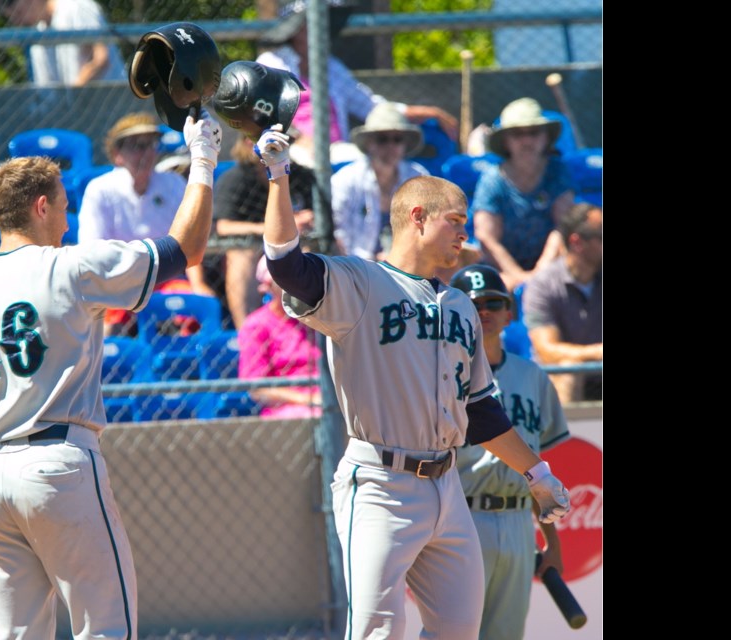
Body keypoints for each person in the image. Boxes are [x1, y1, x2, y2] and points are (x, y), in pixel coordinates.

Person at [0, 109, 223, 639]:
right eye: (63, 209)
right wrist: (205, 161)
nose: (68, 223)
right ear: (42, 205)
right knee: (106, 629)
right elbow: (185, 251)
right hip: (59, 467)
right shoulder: (70, 267)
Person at [253, 124, 571, 639]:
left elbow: (483, 414)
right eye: (455, 222)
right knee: (377, 630)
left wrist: (537, 474)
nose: (464, 235)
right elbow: (287, 266)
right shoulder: (360, 282)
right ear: (418, 218)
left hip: (448, 487)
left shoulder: (461, 306)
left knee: (459, 630)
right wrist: (279, 177)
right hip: (380, 482)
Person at [443, 263, 570, 640]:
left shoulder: (532, 376)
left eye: (494, 303)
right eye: (473, 303)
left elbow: (539, 470)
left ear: (509, 312)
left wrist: (552, 540)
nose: (484, 311)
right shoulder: (439, 372)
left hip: (518, 521)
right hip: (460, 515)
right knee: (453, 632)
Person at [256, 0, 459, 166]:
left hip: (336, 152)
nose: (321, 28)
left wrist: (428, 112)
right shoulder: (271, 64)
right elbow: (259, 112)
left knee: (366, 163)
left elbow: (371, 106)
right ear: (296, 28)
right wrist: (297, 138)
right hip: (287, 150)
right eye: (311, 22)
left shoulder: (331, 67)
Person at [79, 111, 216, 335]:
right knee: (106, 321)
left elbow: (191, 242)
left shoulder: (173, 184)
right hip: (119, 281)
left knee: (198, 305)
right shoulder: (99, 189)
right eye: (136, 146)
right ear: (117, 154)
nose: (145, 153)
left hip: (166, 278)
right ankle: (110, 362)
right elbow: (93, 251)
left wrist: (199, 285)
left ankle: (185, 364)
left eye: (151, 144)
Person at [472, 97, 575, 291]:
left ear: (545, 138)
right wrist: (517, 276)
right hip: (500, 270)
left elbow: (563, 226)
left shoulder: (557, 172)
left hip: (553, 266)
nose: (527, 140)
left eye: (534, 133)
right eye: (518, 134)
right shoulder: (492, 179)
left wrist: (539, 273)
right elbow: (486, 236)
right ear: (506, 141)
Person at [214, 134, 316, 328]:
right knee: (240, 257)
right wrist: (274, 227)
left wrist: (308, 219)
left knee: (309, 253)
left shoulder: (302, 176)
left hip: (292, 247)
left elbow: (321, 219)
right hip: (252, 250)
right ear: (248, 142)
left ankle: (306, 331)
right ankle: (248, 333)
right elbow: (223, 226)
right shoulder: (236, 178)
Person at [522, 202, 602, 403]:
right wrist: (597, 353)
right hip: (558, 380)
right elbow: (547, 350)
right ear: (577, 242)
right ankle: (567, 436)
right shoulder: (543, 285)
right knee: (568, 373)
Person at [331, 101, 429, 260]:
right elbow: (338, 235)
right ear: (370, 143)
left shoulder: (418, 177)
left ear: (404, 145)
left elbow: (427, 226)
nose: (391, 146)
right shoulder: (346, 180)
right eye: (383, 139)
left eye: (397, 139)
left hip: (406, 265)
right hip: (355, 268)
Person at [237, 255, 323, 419]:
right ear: (268, 286)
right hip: (288, 410)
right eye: (286, 282)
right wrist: (306, 399)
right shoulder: (256, 325)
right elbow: (256, 388)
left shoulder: (318, 317)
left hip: (328, 398)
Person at [0, 0, 125, 86]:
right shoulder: (39, 33)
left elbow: (101, 58)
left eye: (19, 14)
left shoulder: (75, 7)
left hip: (110, 104)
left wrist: (74, 92)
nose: (18, 23)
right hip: (78, 114)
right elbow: (47, 89)